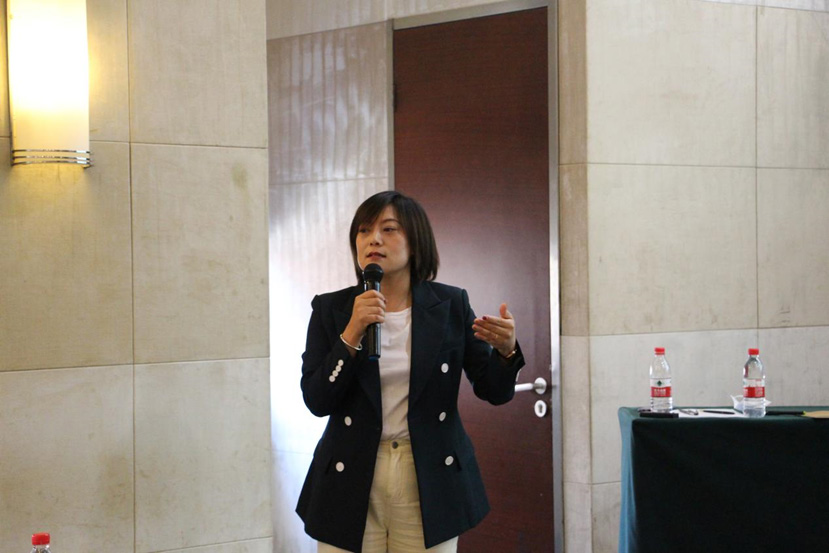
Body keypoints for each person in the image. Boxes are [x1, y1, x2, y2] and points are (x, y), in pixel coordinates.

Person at [296, 191, 524, 553]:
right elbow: (317, 400)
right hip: (350, 472)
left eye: (388, 229)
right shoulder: (331, 309)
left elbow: (493, 391)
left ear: (415, 242)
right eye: (364, 230)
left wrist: (507, 351)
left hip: (429, 474)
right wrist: (351, 333)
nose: (373, 239)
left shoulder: (450, 304)